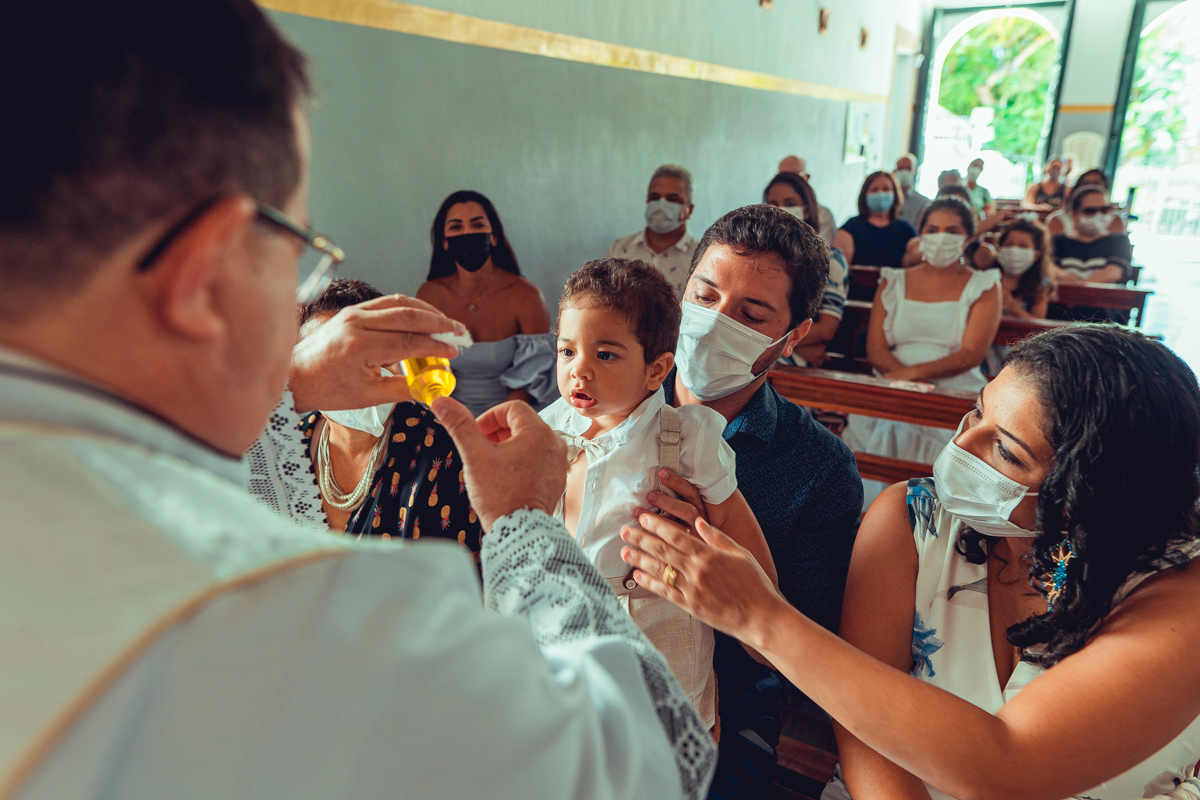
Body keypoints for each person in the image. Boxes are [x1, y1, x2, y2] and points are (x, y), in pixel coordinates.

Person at [0, 4, 716, 799]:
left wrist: (290, 378)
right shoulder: (303, 619)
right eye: (297, 244)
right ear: (206, 269)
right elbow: (649, 756)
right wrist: (522, 525)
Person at [620, 325, 1200, 800]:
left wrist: (759, 616)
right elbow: (864, 720)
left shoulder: (1178, 594)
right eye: (976, 414)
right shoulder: (915, 519)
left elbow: (1010, 764)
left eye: (1006, 451)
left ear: (1091, 496)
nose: (960, 448)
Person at [662, 205, 863, 799]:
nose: (715, 323)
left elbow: (805, 651)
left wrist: (720, 548)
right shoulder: (604, 393)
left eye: (751, 315)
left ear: (792, 335)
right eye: (705, 295)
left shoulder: (817, 467)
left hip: (724, 717)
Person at [541, 258, 778, 729]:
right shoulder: (546, 429)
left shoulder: (688, 439)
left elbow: (732, 527)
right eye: (568, 352)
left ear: (656, 369)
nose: (579, 371)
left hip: (656, 637)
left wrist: (766, 619)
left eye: (604, 355)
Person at [296, 279, 482, 550]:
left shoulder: (442, 450)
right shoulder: (283, 446)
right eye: (336, 359)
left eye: (375, 356)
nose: (363, 373)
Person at [845, 198, 1002, 508]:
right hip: (890, 380)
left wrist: (909, 377)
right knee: (889, 423)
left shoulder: (983, 285)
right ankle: (873, 520)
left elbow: (971, 353)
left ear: (968, 238)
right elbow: (876, 349)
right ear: (920, 235)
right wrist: (898, 381)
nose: (941, 237)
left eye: (952, 230)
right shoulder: (893, 280)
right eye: (933, 229)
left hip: (951, 383)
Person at [417, 190, 556, 417]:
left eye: (477, 225)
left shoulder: (526, 296)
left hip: (513, 415)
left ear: (494, 236)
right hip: (446, 415)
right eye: (456, 227)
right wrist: (453, 422)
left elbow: (531, 382)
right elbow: (426, 372)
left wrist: (494, 426)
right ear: (444, 243)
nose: (468, 233)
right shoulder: (429, 296)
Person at [763, 171, 850, 367]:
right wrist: (797, 344)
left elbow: (826, 329)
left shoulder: (831, 259)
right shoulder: (759, 255)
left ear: (807, 210)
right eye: (773, 204)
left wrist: (780, 342)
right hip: (771, 351)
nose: (781, 210)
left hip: (794, 363)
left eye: (790, 202)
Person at [606, 163, 699, 299]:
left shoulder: (700, 257)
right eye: (654, 198)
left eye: (672, 199)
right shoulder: (619, 249)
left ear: (689, 210)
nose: (661, 206)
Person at [1051, 184, 1132, 285]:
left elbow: (1114, 272)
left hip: (1104, 299)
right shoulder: (1057, 241)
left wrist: (1079, 287)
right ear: (1074, 214)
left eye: (1104, 210)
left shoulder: (1119, 241)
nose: (1099, 215)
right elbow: (1049, 268)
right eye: (1090, 211)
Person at [834, 171, 917, 268]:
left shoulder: (906, 230)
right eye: (874, 190)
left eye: (886, 189)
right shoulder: (850, 228)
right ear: (865, 195)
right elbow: (838, 270)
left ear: (895, 194)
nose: (880, 194)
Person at [990, 219, 1055, 319]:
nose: (1013, 250)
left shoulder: (1040, 285)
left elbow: (1038, 325)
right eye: (1008, 244)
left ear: (1036, 255)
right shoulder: (988, 276)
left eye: (1023, 246)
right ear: (999, 248)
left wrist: (1012, 306)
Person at [1047, 169, 1126, 236]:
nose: (1091, 187)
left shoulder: (1115, 220)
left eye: (1097, 184)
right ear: (1074, 213)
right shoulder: (1057, 219)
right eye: (1089, 211)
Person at [779, 155, 838, 245]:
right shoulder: (767, 211)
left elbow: (823, 253)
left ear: (806, 178)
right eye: (783, 177)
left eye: (794, 175)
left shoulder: (822, 216)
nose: (788, 182)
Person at [895, 153, 930, 228]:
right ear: (895, 171)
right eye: (900, 168)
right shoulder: (888, 199)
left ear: (914, 171)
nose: (904, 172)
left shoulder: (923, 202)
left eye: (908, 168)